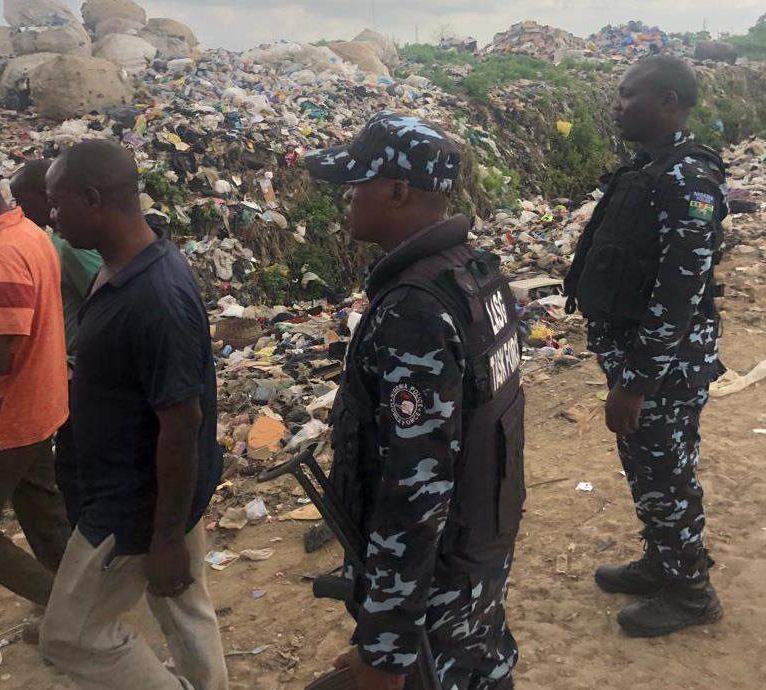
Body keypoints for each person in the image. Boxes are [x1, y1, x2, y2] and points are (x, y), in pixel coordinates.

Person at [304, 112, 525, 690]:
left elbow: (417, 483)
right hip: (479, 542)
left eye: (358, 183)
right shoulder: (473, 273)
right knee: (480, 668)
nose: (347, 197)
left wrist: (387, 645)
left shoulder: (415, 307)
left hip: (440, 574)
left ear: (399, 191)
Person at [39, 140, 228, 690]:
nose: (50, 217)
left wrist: (165, 536)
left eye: (57, 203)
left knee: (71, 637)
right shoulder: (125, 268)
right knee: (184, 607)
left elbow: (182, 422)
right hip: (160, 494)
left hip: (133, 506)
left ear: (93, 199)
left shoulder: (154, 296)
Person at [564, 55, 727, 637]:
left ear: (666, 101)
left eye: (628, 94)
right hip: (637, 357)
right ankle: (664, 562)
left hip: (662, 368)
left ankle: (689, 593)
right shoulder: (651, 167)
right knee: (648, 468)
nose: (617, 104)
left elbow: (678, 294)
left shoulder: (690, 180)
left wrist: (636, 383)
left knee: (666, 473)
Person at [10, 159, 103, 525]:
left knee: (72, 466)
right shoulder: (42, 241)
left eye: (23, 198)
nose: (19, 208)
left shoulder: (66, 248)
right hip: (64, 370)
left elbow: (103, 297)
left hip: (76, 371)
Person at [0, 179, 69, 609]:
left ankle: (63, 608)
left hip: (10, 417)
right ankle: (82, 606)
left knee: (43, 509)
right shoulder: (29, 232)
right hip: (41, 401)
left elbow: (0, 354)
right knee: (43, 512)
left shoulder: (3, 255)